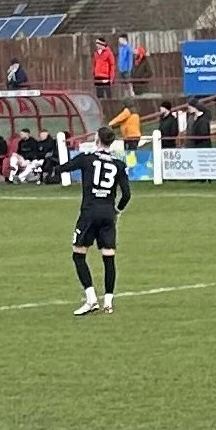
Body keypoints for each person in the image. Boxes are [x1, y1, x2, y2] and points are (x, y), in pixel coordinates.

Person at [63, 125, 129, 314]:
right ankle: (108, 301)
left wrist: (50, 167)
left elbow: (65, 167)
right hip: (108, 214)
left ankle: (91, 299)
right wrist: (117, 210)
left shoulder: (87, 159)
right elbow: (126, 195)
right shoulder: (119, 164)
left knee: (78, 254)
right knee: (108, 257)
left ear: (97, 140)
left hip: (89, 213)